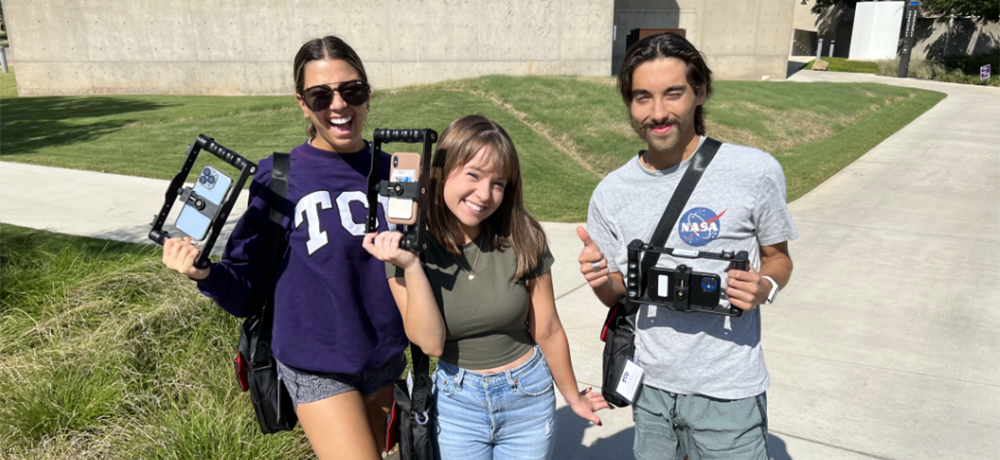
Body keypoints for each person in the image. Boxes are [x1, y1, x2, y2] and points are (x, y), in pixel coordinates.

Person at [161, 36, 407, 460]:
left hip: (384, 355)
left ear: (367, 94)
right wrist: (204, 273)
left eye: (352, 91)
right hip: (314, 363)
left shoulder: (397, 170)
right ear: (302, 103)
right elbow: (248, 284)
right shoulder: (278, 177)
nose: (338, 105)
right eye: (320, 95)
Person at [577, 33, 797, 460]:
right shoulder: (611, 192)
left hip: (729, 393)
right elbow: (618, 293)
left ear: (700, 92)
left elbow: (778, 258)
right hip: (652, 394)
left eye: (673, 93)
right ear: (629, 104)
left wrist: (765, 287)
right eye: (643, 98)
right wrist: (598, 278)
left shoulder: (755, 171)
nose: (658, 113)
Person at [363, 114, 608, 460]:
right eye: (473, 176)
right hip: (457, 403)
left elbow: (548, 329)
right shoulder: (406, 246)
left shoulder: (523, 235)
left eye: (498, 183)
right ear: (441, 173)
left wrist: (573, 396)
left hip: (528, 395)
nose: (485, 194)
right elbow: (431, 343)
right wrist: (411, 267)